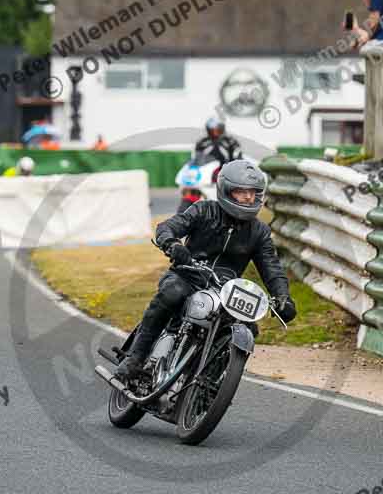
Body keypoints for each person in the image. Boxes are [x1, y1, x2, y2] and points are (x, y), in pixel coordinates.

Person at [115, 160, 296, 381]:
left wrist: (283, 297)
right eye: (242, 192)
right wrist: (173, 244)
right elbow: (168, 226)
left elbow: (272, 267)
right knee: (172, 293)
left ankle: (210, 383)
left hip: (226, 290)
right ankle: (135, 357)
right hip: (187, 275)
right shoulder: (204, 210)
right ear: (226, 191)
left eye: (253, 193)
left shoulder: (259, 232)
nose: (249, 198)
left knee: (249, 328)